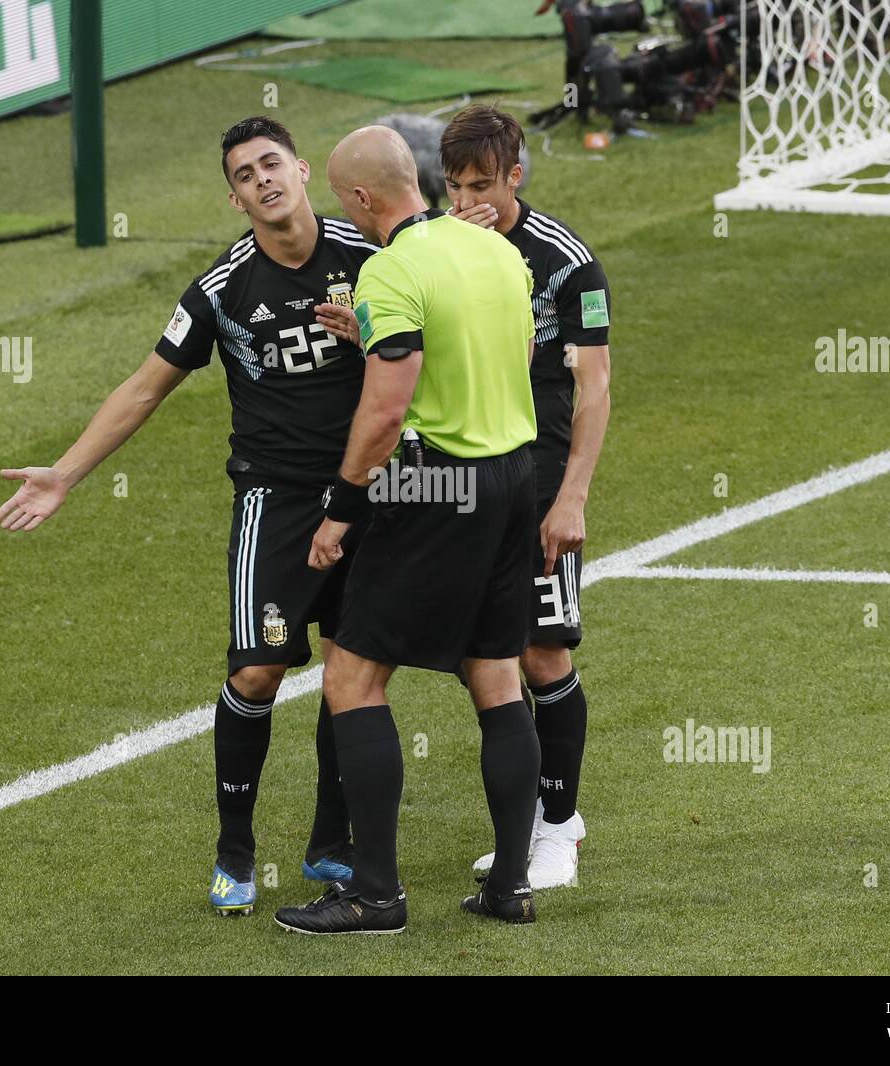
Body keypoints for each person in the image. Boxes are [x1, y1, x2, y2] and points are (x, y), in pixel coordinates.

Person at [0, 116, 376, 917]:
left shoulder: (373, 257)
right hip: (275, 501)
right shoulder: (222, 289)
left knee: (354, 675)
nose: (263, 179)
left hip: (366, 491)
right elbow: (143, 388)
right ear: (236, 199)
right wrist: (66, 473)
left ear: (303, 170)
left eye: (272, 163)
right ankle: (235, 849)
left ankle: (330, 844)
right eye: (245, 174)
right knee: (257, 672)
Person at [273, 125, 541, 936]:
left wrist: (342, 510)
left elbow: (388, 408)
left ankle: (375, 894)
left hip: (438, 484)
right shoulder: (497, 250)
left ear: (359, 201)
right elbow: (516, 355)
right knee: (496, 675)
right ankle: (511, 886)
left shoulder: (388, 271)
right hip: (515, 475)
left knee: (353, 677)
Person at [440, 105, 611, 890]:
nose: (469, 200)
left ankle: (558, 828)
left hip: (537, 486)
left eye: (483, 184)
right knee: (489, 660)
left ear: (515, 176)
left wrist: (571, 497)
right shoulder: (438, 249)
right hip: (465, 481)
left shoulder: (566, 263)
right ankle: (524, 831)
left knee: (544, 651)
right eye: (455, 186)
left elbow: (595, 387)